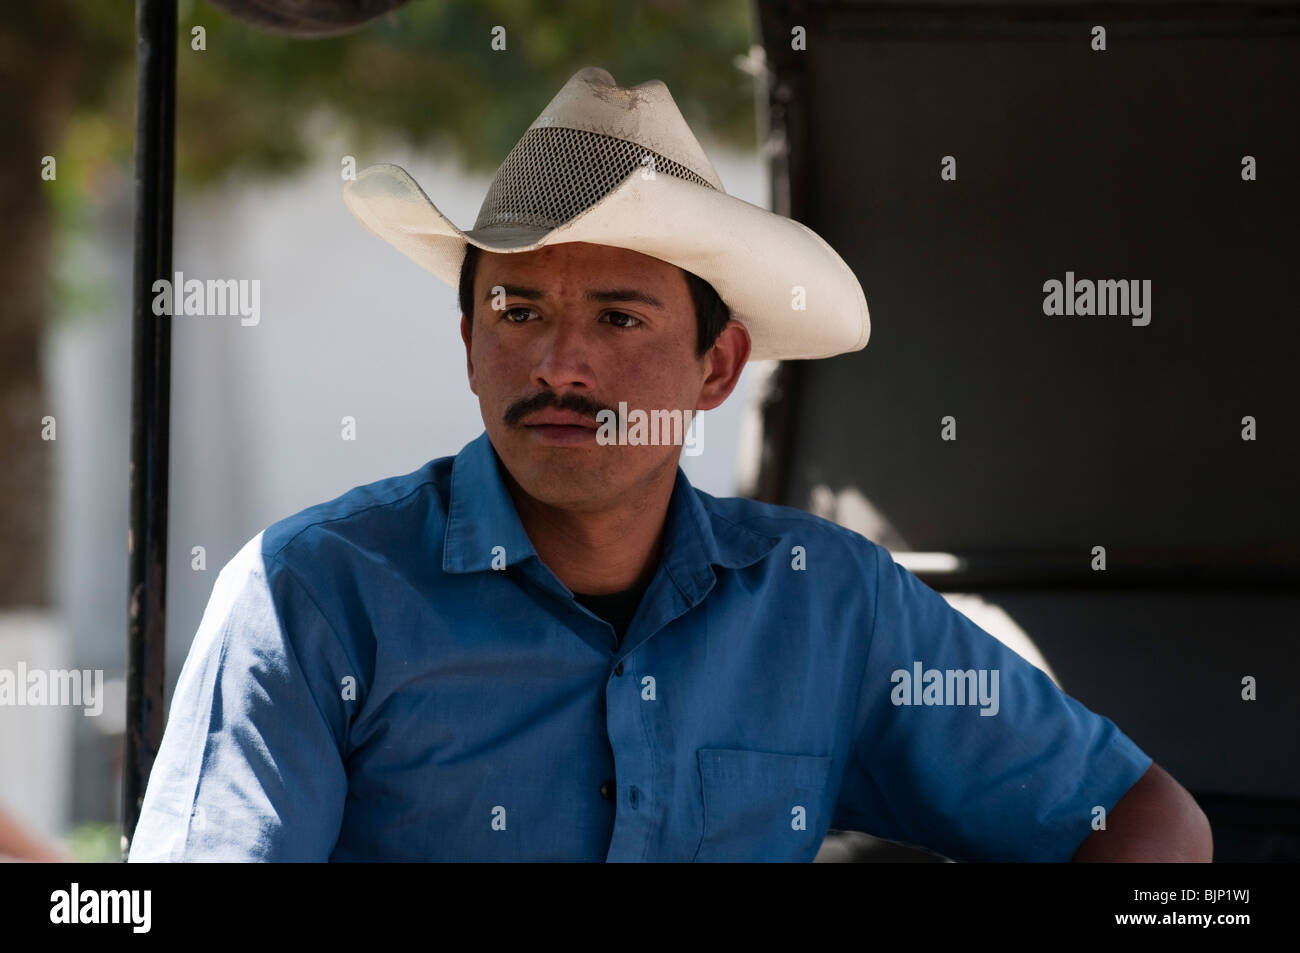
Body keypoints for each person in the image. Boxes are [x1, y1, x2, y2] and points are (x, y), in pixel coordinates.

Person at [127, 67, 1210, 862]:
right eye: (516, 309)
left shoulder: (827, 600)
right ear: (467, 343)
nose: (560, 362)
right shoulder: (310, 595)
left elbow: (1144, 820)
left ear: (717, 366)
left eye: (617, 316)